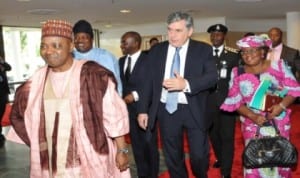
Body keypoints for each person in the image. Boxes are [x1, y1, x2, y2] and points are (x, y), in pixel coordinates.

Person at [8, 19, 130, 178]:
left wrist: (122, 150)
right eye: (44, 46)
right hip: (50, 161)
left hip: (88, 161)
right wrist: (37, 142)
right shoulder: (37, 80)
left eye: (56, 45)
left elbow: (114, 117)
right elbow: (18, 113)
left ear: (71, 46)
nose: (49, 51)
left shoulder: (93, 75)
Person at [137, 11, 218, 178]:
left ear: (189, 31)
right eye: (170, 30)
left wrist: (186, 84)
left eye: (178, 31)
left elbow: (212, 77)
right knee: (173, 156)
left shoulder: (203, 50)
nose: (172, 35)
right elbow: (147, 83)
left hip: (193, 108)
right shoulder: (157, 51)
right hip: (167, 110)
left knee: (199, 156)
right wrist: (143, 110)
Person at [220, 35, 300, 178]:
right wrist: (253, 116)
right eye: (244, 52)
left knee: (280, 157)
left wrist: (280, 106)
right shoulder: (237, 73)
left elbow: (294, 90)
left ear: (262, 52)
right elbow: (235, 101)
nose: (247, 55)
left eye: (251, 51)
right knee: (255, 161)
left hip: (278, 121)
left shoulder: (279, 66)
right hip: (252, 124)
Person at [119, 31, 159, 178]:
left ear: (136, 43)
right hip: (128, 112)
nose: (122, 45)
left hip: (146, 110)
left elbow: (154, 85)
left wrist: (135, 96)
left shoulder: (149, 60)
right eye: (122, 42)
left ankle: (153, 174)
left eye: (125, 42)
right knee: (137, 146)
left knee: (149, 145)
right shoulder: (121, 61)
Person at [206, 24, 239, 178]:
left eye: (218, 35)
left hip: (228, 102)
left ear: (224, 36)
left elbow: (239, 80)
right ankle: (221, 157)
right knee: (213, 135)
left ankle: (226, 171)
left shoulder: (234, 55)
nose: (215, 38)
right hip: (209, 102)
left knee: (227, 137)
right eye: (213, 35)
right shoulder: (204, 54)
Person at [73, 19, 122, 95]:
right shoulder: (69, 57)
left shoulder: (104, 56)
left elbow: (115, 83)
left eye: (84, 37)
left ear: (92, 40)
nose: (80, 41)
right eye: (76, 37)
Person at [0, 56, 11, 147]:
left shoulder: (1, 65)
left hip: (3, 94)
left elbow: (9, 67)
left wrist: (2, 61)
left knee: (1, 113)